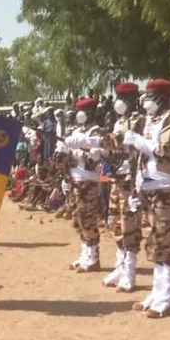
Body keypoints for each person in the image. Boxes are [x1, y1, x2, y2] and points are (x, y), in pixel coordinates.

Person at [124, 80, 170, 319]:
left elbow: (165, 150)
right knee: (155, 241)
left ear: (162, 97)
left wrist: (139, 141)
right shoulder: (149, 120)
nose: (145, 100)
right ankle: (157, 292)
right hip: (151, 186)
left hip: (167, 189)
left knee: (167, 242)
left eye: (151, 95)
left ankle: (167, 298)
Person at [101, 82, 144, 292]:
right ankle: (120, 265)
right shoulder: (119, 121)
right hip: (117, 177)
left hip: (130, 179)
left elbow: (129, 147)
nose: (119, 102)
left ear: (133, 100)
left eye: (124, 98)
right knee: (114, 221)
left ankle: (129, 273)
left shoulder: (138, 121)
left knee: (129, 225)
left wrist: (100, 140)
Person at [63, 97, 105, 273]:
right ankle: (85, 253)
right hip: (75, 179)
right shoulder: (77, 131)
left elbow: (92, 160)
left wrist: (78, 151)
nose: (80, 114)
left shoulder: (97, 132)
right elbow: (67, 156)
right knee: (78, 218)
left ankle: (93, 257)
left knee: (88, 218)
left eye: (84, 110)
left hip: (88, 180)